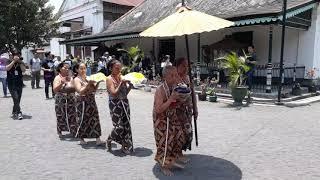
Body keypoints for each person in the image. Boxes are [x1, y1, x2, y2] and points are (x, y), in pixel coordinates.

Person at [153, 65, 185, 176]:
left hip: (172, 117)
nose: (175, 77)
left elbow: (176, 103)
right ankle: (164, 165)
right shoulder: (160, 90)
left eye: (176, 75)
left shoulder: (175, 87)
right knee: (165, 142)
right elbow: (158, 109)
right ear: (165, 77)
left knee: (179, 137)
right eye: (172, 75)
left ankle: (171, 160)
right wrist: (171, 99)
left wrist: (181, 98)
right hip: (161, 120)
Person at [106, 60, 134, 154]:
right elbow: (113, 93)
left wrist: (129, 86)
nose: (119, 70)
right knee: (119, 127)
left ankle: (124, 146)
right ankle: (110, 138)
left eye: (120, 68)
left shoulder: (121, 77)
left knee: (126, 125)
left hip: (124, 103)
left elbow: (124, 93)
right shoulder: (109, 79)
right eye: (116, 68)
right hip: (115, 104)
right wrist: (121, 83)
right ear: (111, 68)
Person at [73, 63, 104, 145]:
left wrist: (98, 83)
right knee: (82, 119)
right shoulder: (76, 79)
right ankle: (81, 139)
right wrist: (88, 84)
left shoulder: (88, 78)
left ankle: (98, 139)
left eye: (84, 68)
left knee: (95, 118)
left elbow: (94, 90)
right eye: (81, 68)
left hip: (91, 100)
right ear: (77, 70)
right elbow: (80, 91)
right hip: (82, 101)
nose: (83, 70)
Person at [175, 57, 198, 160]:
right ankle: (177, 153)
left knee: (187, 132)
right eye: (183, 66)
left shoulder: (188, 78)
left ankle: (180, 151)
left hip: (188, 110)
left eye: (187, 66)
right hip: (177, 110)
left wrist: (195, 108)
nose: (186, 68)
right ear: (177, 66)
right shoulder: (174, 78)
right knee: (178, 132)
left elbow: (193, 94)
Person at [53, 62, 77, 138]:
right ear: (60, 69)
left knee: (72, 114)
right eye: (65, 68)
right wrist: (61, 83)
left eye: (68, 68)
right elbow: (55, 90)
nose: (67, 69)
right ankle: (60, 131)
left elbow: (74, 88)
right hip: (60, 99)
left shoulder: (70, 77)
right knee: (60, 114)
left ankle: (73, 130)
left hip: (71, 98)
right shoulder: (57, 77)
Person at [5, 52, 26, 120]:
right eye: (13, 56)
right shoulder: (8, 61)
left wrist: (20, 62)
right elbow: (7, 68)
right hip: (11, 83)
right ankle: (19, 112)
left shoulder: (20, 62)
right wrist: (14, 61)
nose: (16, 57)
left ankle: (14, 111)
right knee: (16, 98)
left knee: (17, 99)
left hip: (19, 83)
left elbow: (24, 70)